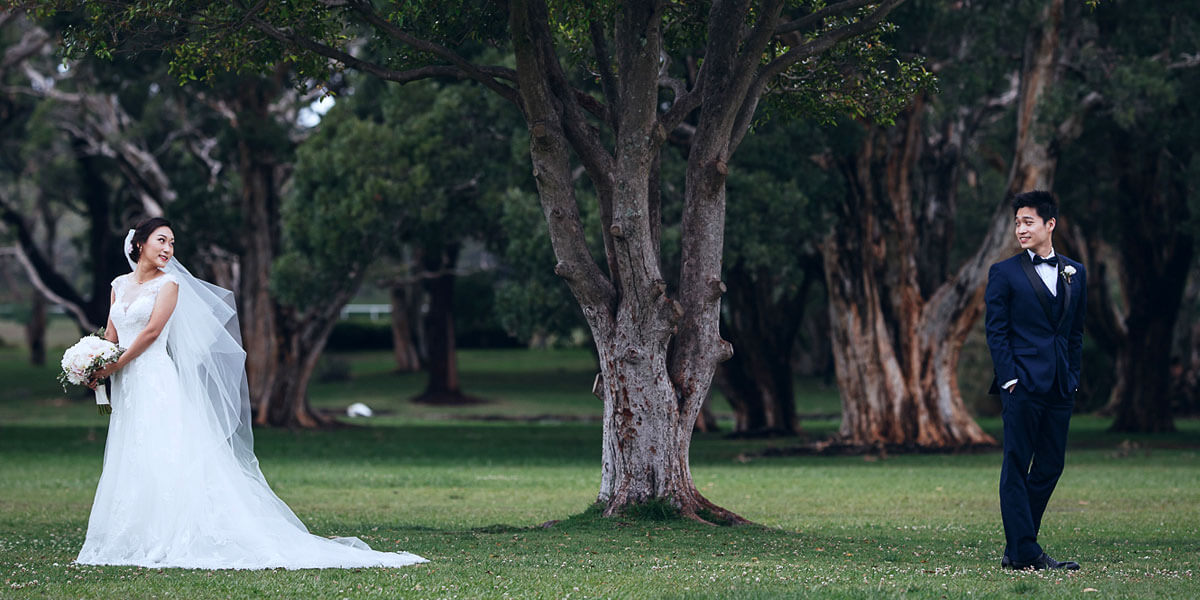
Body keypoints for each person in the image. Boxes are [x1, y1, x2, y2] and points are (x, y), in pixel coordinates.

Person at [77, 217, 426, 569]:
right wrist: (94, 366)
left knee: (164, 450)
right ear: (139, 245)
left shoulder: (169, 285)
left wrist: (115, 365)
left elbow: (151, 333)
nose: (168, 249)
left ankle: (169, 535)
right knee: (133, 450)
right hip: (127, 384)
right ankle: (133, 534)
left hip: (155, 379)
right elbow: (111, 333)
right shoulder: (118, 285)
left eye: (172, 243)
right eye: (161, 241)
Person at [984, 191, 1085, 571]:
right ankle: (1025, 551)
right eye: (1017, 223)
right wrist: (1009, 379)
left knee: (1050, 467)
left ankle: (1018, 546)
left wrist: (1073, 378)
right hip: (1021, 386)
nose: (1020, 229)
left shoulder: (1076, 272)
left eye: (1028, 222)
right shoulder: (1004, 273)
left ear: (1050, 225)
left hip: (1061, 387)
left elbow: (1075, 333)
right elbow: (996, 332)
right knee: (1016, 464)